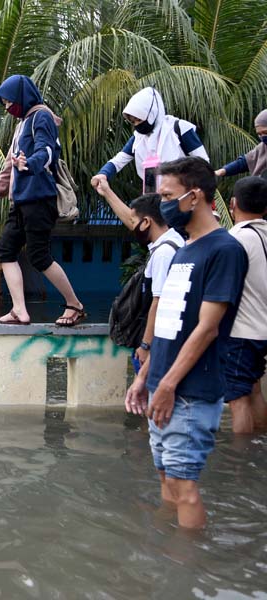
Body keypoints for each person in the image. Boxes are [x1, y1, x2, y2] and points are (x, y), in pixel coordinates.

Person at [125, 157, 247, 529]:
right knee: (166, 475)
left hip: (191, 391)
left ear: (194, 197)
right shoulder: (183, 249)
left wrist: (168, 385)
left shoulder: (223, 250)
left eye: (167, 196)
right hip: (163, 383)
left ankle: (188, 560)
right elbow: (169, 326)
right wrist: (145, 376)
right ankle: (167, 549)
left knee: (184, 484)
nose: (162, 204)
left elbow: (208, 328)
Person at [0, 74, 85, 326]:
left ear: (22, 97)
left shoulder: (42, 117)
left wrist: (30, 164)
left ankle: (74, 305)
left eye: (9, 101)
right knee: (5, 250)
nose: (7, 107)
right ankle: (19, 310)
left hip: (40, 199)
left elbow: (46, 151)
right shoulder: (21, 126)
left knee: (39, 256)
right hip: (20, 202)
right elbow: (8, 167)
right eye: (4, 103)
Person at [95, 181, 184, 370]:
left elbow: (158, 302)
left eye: (135, 223)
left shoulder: (163, 253)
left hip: (156, 346)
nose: (132, 227)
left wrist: (146, 345)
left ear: (147, 222)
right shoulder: (175, 242)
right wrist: (107, 191)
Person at [91, 87, 209, 215]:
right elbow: (119, 160)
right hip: (154, 202)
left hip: (183, 199)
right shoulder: (138, 138)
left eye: (139, 120)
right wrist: (103, 174)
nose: (137, 125)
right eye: (133, 122)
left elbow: (203, 163)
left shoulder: (179, 128)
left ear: (151, 113)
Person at [223, 176, 267, 433]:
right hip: (261, 329)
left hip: (242, 331)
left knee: (237, 398)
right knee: (254, 388)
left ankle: (242, 453)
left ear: (233, 204)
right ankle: (259, 444)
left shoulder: (235, 238)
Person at [215, 109, 267, 178]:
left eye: (265, 132)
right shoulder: (263, 147)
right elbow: (245, 162)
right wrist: (221, 171)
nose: (263, 137)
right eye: (259, 134)